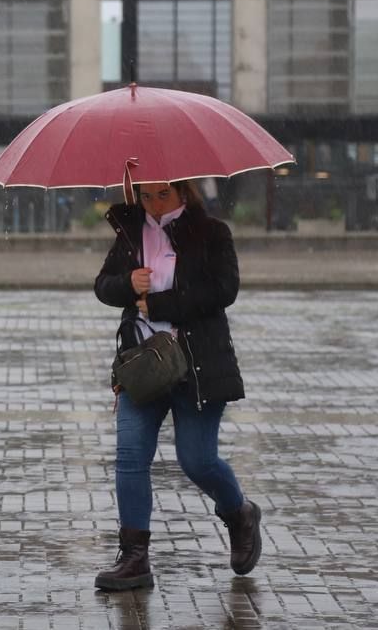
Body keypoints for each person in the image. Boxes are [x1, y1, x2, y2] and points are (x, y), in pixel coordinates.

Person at [92, 179, 261, 591]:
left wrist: (163, 303)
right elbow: (103, 286)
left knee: (197, 461)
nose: (152, 203)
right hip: (144, 364)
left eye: (162, 194)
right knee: (130, 456)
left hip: (198, 364)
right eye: (146, 196)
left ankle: (239, 513)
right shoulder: (131, 233)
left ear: (183, 191)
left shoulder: (212, 232)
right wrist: (127, 285)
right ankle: (134, 559)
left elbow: (224, 289)